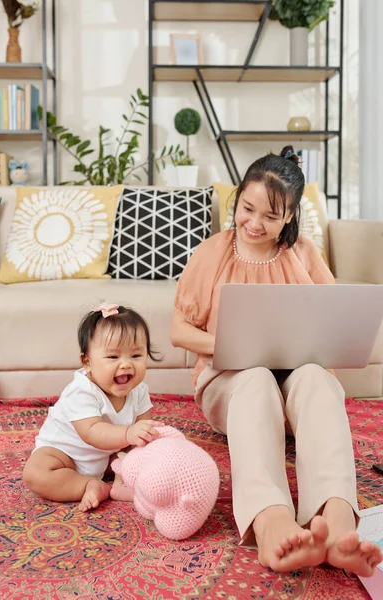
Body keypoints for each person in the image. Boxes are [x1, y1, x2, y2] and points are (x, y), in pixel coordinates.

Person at [170, 146, 383, 576]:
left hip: (294, 387)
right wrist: (232, 343)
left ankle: (338, 521)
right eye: (247, 209)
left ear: (289, 216)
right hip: (232, 383)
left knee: (317, 380)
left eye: (270, 216)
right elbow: (178, 331)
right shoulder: (212, 252)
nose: (254, 223)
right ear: (237, 199)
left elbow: (331, 319)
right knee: (253, 379)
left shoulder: (302, 253)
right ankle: (271, 522)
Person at [23, 303, 163, 512]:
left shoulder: (138, 390)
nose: (126, 364)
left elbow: (143, 427)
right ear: (87, 362)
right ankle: (88, 485)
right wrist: (129, 433)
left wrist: (147, 438)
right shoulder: (81, 391)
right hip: (66, 456)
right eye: (113, 357)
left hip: (106, 457)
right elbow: (92, 432)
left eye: (135, 356)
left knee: (143, 452)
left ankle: (120, 481)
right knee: (36, 472)